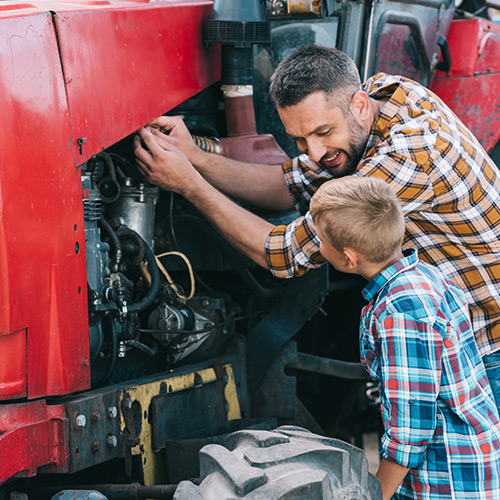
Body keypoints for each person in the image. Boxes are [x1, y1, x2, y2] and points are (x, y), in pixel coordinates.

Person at [133, 44, 500, 406]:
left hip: (490, 343)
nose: (313, 152)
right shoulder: (383, 99)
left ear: (357, 105)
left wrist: (188, 184)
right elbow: (290, 183)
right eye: (299, 139)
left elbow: (283, 253)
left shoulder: (408, 157)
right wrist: (194, 155)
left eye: (323, 133)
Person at [309, 175, 500, 500]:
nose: (317, 246)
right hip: (462, 459)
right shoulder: (423, 275)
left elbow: (411, 429)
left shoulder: (401, 310)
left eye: (320, 240)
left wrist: (379, 492)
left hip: (450, 478)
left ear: (350, 257)